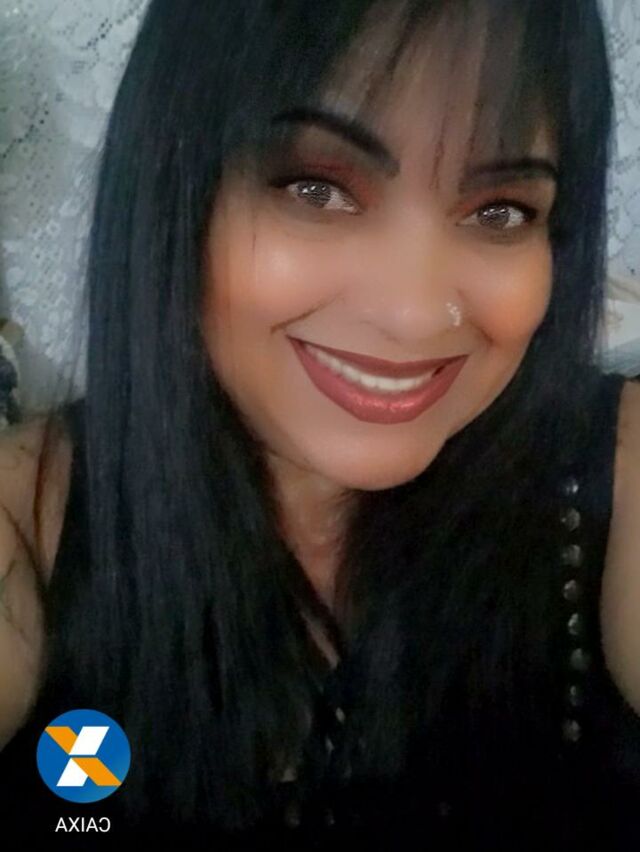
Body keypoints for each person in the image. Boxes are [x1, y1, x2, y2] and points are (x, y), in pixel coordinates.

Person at [0, 0, 638, 848]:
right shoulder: (27, 514)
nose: (414, 314)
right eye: (317, 188)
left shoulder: (618, 466)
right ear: (177, 193)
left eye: (500, 211)